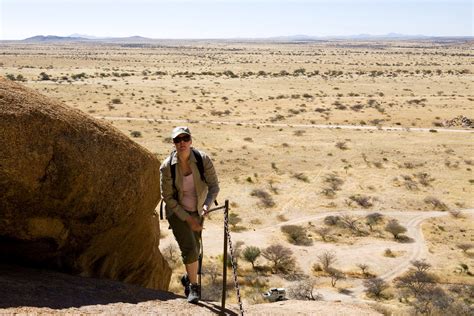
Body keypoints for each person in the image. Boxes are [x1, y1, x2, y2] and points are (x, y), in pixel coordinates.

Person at [160, 126, 219, 303]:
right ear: (174, 143)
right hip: (177, 212)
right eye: (178, 140)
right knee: (190, 248)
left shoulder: (203, 160)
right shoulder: (167, 167)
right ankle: (194, 287)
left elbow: (214, 186)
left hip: (198, 210)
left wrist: (206, 206)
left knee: (196, 249)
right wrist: (187, 218)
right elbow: (168, 197)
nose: (182, 143)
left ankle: (188, 277)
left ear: (191, 141)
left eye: (185, 139)